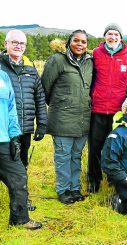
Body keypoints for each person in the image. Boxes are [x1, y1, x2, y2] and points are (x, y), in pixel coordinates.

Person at [41, 30, 93, 204]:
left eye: (83, 42)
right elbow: (44, 89)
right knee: (63, 156)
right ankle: (63, 190)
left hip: (83, 119)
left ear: (87, 45)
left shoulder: (89, 63)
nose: (80, 44)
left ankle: (74, 188)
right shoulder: (57, 60)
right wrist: (61, 104)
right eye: (76, 40)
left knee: (76, 156)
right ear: (69, 42)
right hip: (62, 119)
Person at [0, 29, 47, 211]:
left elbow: (40, 98)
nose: (19, 46)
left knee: (22, 165)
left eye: (22, 44)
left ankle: (21, 200)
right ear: (6, 44)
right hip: (3, 130)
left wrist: (42, 123)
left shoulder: (31, 70)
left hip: (25, 127)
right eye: (15, 42)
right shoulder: (1, 68)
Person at [88, 23, 127, 193]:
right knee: (95, 147)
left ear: (121, 38)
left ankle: (113, 178)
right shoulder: (96, 54)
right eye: (109, 34)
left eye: (116, 34)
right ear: (104, 37)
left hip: (118, 111)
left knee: (115, 147)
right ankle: (93, 180)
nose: (113, 37)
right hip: (98, 109)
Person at [0, 70, 42, 230]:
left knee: (18, 177)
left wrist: (14, 136)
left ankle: (20, 219)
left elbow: (11, 109)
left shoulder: (3, 77)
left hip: (3, 140)